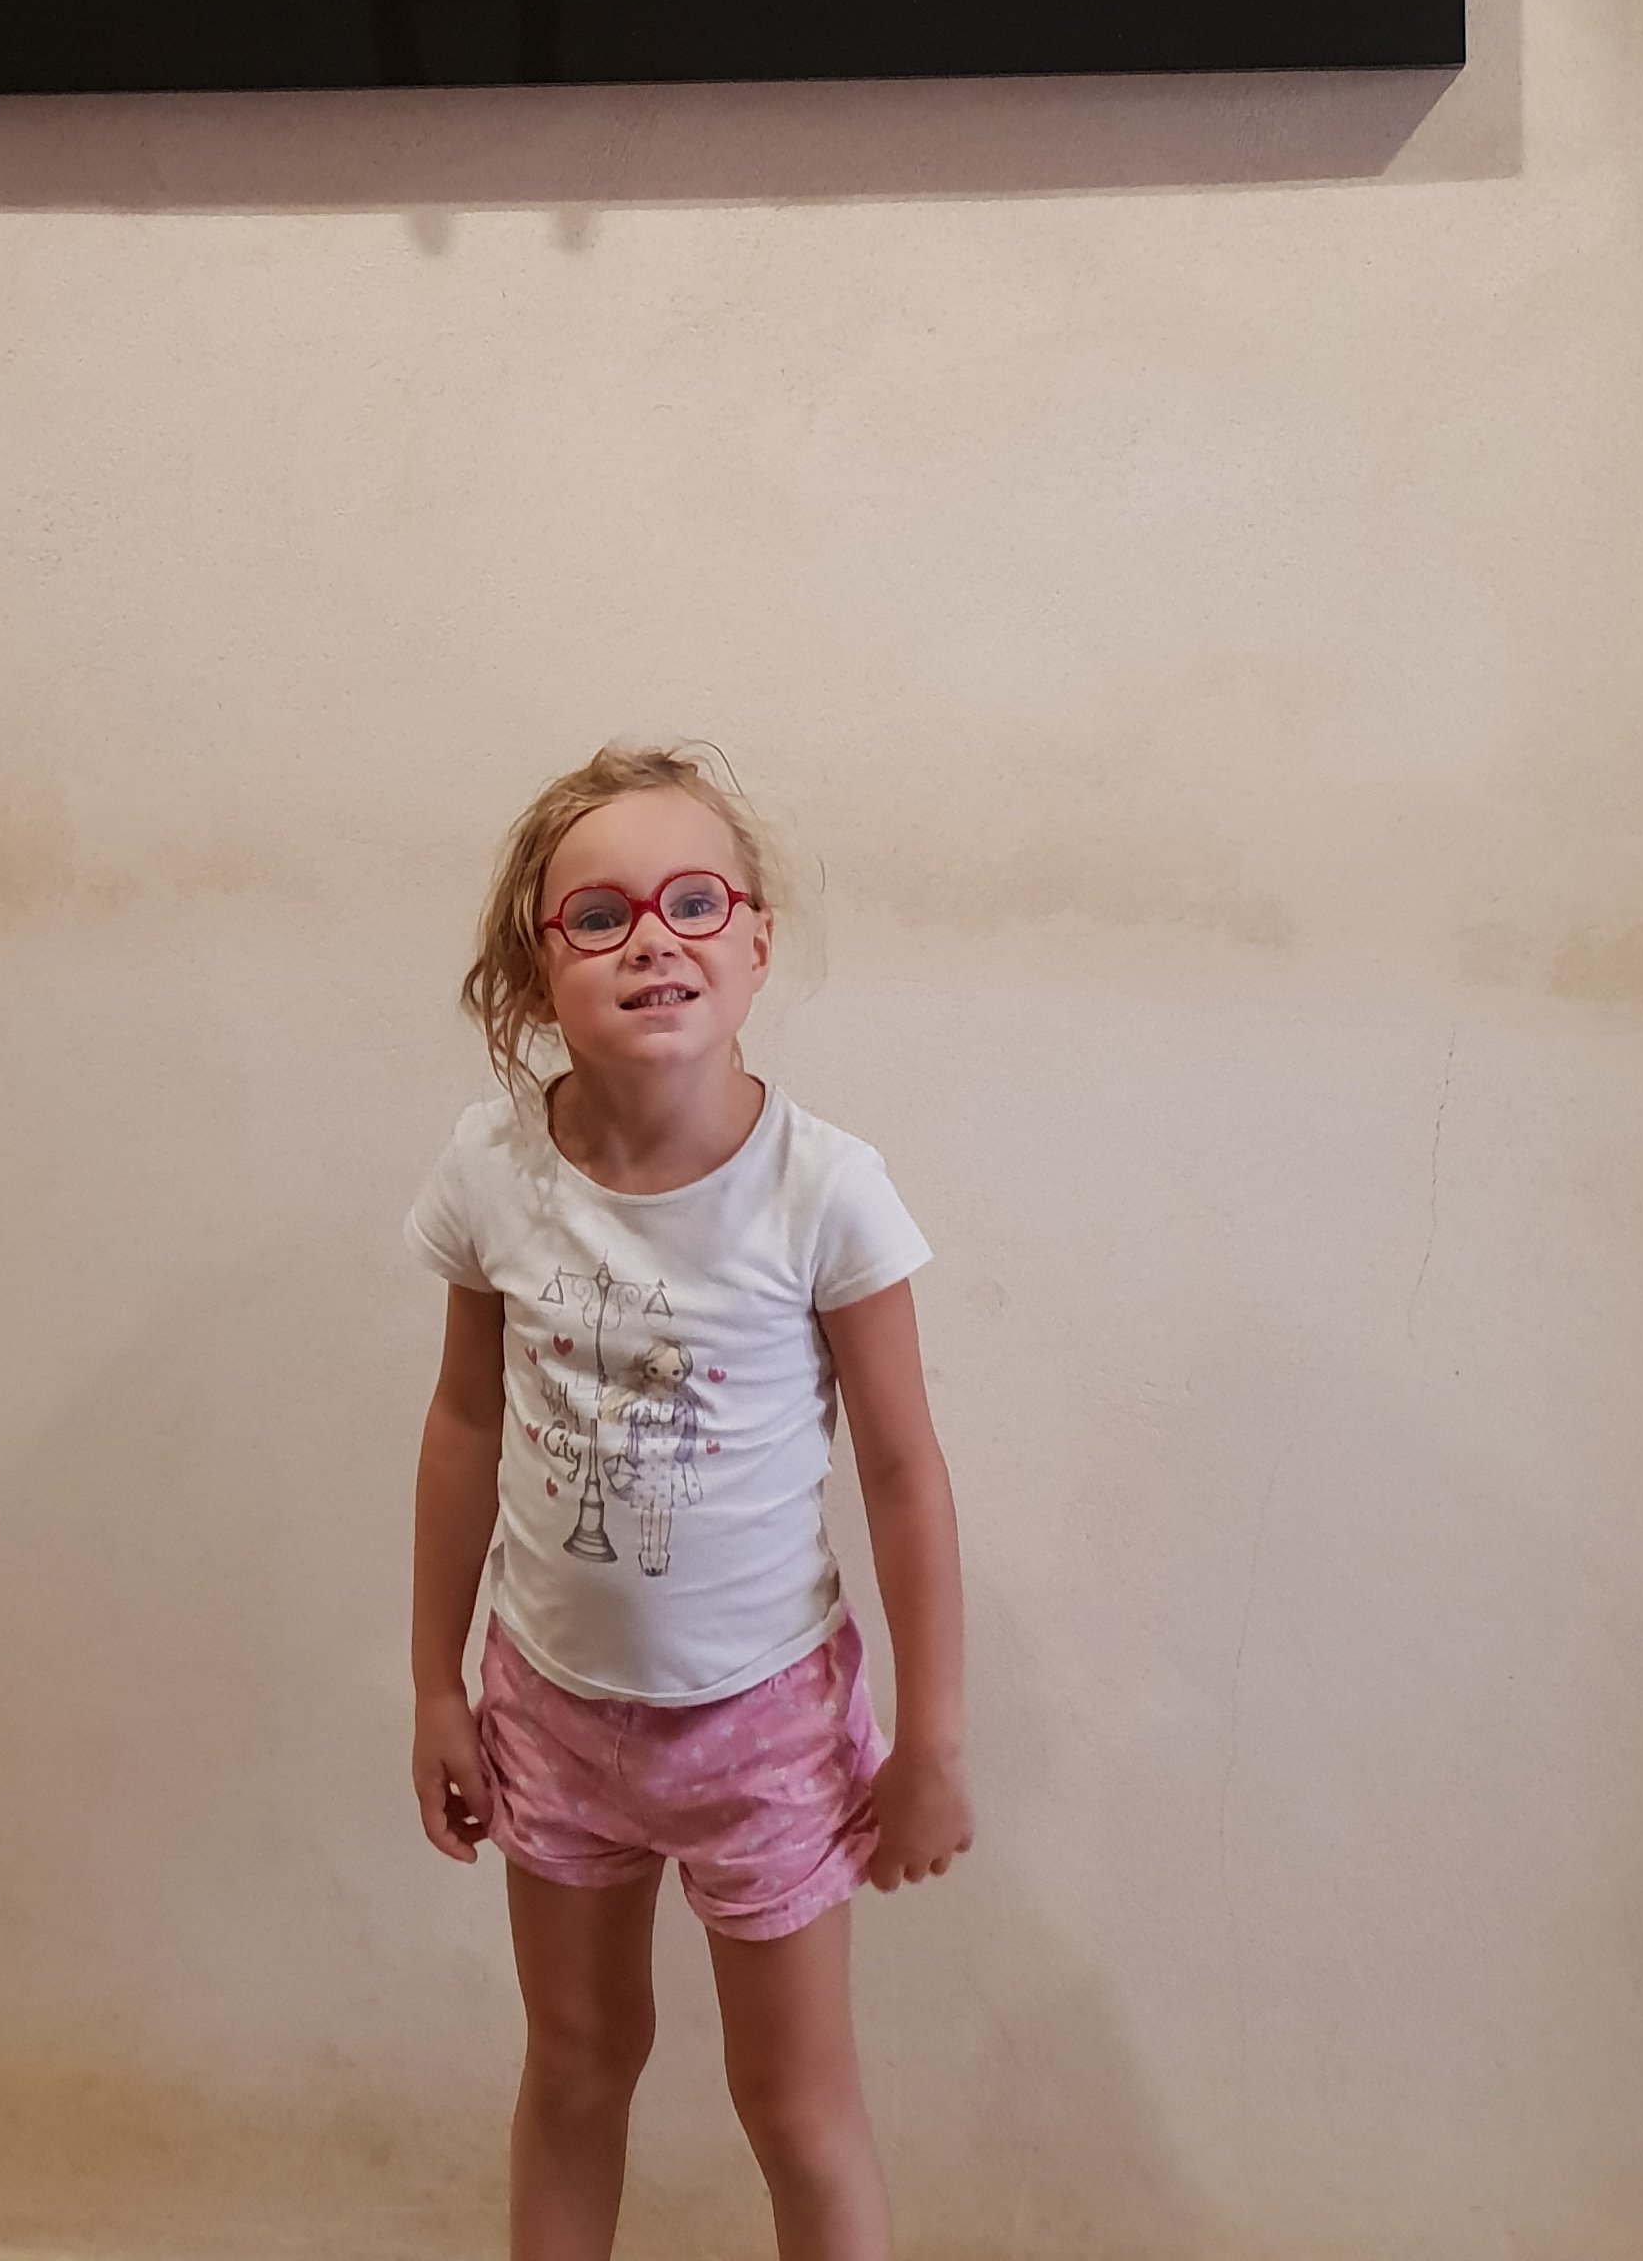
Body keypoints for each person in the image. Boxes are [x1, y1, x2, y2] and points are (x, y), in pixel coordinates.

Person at [406, 744, 970, 2261]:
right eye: (600, 916)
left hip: (766, 1730)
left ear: (757, 939)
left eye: (695, 901)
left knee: (795, 2109)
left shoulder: (824, 1192)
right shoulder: (494, 1172)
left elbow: (904, 1473)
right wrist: (436, 1685)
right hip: (549, 1709)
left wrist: (930, 1739)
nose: (653, 937)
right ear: (537, 968)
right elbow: (463, 1423)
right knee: (577, 2070)